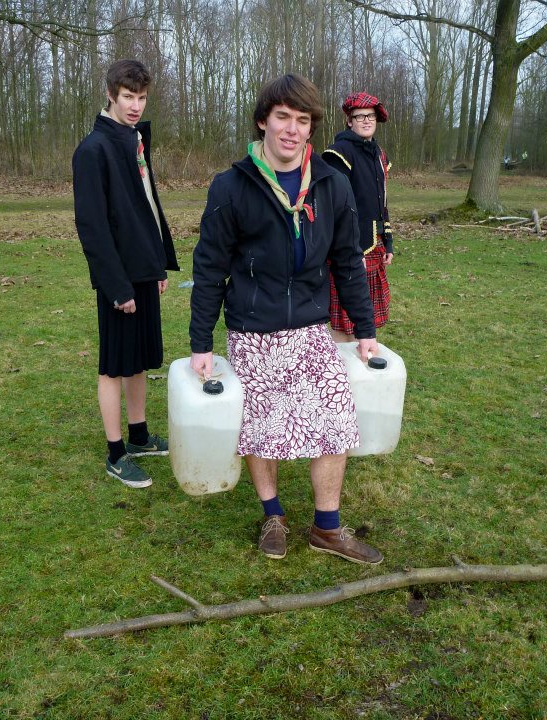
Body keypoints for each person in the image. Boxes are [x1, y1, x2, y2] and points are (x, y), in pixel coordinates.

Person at [189, 74, 384, 565]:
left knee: (336, 419)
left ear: (311, 127)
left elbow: (347, 262)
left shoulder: (331, 185)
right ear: (263, 121)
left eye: (302, 120)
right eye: (283, 118)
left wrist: (365, 330)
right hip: (253, 330)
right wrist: (201, 343)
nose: (292, 130)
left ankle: (327, 527)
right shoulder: (231, 187)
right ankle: (273, 514)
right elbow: (209, 269)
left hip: (311, 329)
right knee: (262, 426)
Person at [72, 59, 179, 489]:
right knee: (115, 365)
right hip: (116, 278)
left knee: (139, 359)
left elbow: (145, 210)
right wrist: (116, 287)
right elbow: (93, 227)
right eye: (128, 97)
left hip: (142, 270)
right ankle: (116, 454)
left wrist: (156, 264)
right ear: (111, 95)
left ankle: (138, 437)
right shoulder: (93, 150)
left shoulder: (133, 140)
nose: (135, 105)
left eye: (141, 97)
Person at [322, 92, 394, 342]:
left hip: (374, 244)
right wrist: (349, 252)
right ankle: (342, 369)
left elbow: (381, 201)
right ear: (349, 121)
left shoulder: (379, 154)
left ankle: (360, 364)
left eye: (370, 116)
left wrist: (388, 241)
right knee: (343, 323)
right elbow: (334, 208)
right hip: (348, 247)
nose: (366, 120)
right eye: (359, 116)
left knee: (365, 320)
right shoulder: (338, 153)